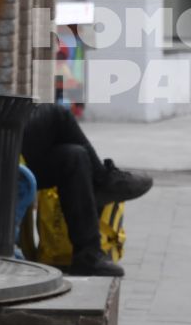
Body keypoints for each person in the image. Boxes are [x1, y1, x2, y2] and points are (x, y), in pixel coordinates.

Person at [21, 100, 152, 276]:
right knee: (57, 114)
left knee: (75, 156)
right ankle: (102, 181)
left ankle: (88, 256)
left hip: (0, 140)